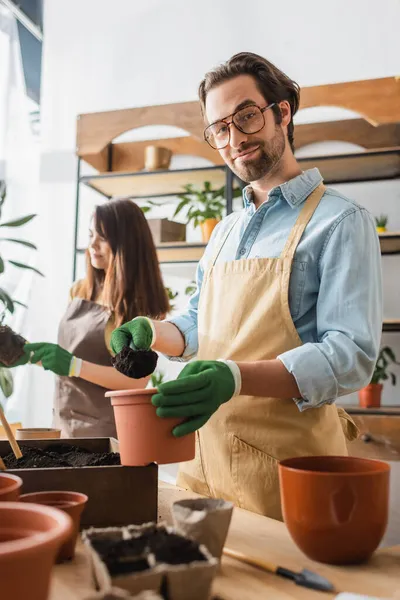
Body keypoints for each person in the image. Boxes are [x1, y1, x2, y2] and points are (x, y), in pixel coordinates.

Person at [110, 53, 382, 519]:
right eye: (219, 128)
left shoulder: (340, 221)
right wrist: (152, 332)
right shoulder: (224, 232)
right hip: (203, 461)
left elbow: (351, 355)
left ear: (282, 112)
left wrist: (235, 377)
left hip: (288, 472)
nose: (235, 139)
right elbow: (201, 325)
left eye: (247, 117)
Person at [6, 199, 169, 438]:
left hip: (106, 436)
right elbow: (67, 355)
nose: (92, 245)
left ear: (127, 243)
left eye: (102, 238)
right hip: (63, 425)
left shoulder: (140, 307)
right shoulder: (80, 290)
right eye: (91, 234)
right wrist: (27, 354)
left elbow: (136, 381)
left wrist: (74, 366)